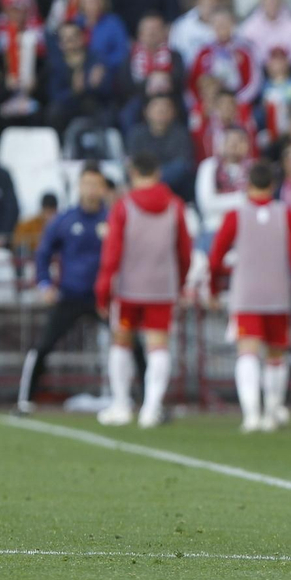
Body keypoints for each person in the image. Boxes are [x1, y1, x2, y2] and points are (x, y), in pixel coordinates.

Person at [205, 162, 291, 432]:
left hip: (246, 294)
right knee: (276, 355)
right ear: (274, 185)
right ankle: (272, 412)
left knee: (247, 353)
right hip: (278, 294)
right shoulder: (286, 214)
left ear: (247, 185)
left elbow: (216, 257)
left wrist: (213, 288)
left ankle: (251, 414)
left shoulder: (235, 215)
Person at [96, 151, 194, 427]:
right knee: (158, 346)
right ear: (158, 174)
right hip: (162, 289)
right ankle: (151, 409)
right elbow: (184, 251)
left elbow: (111, 254)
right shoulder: (175, 206)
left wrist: (103, 291)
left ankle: (121, 405)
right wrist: (180, 282)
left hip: (128, 288)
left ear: (133, 173)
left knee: (121, 342)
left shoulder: (123, 206)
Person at [17, 164, 112, 414]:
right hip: (70, 296)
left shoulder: (113, 219)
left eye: (96, 184)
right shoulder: (65, 220)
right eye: (87, 184)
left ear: (103, 189)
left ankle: (146, 400)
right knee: (43, 345)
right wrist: (44, 283)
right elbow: (43, 254)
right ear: (79, 187)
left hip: (104, 299)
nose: (91, 190)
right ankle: (25, 399)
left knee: (131, 343)